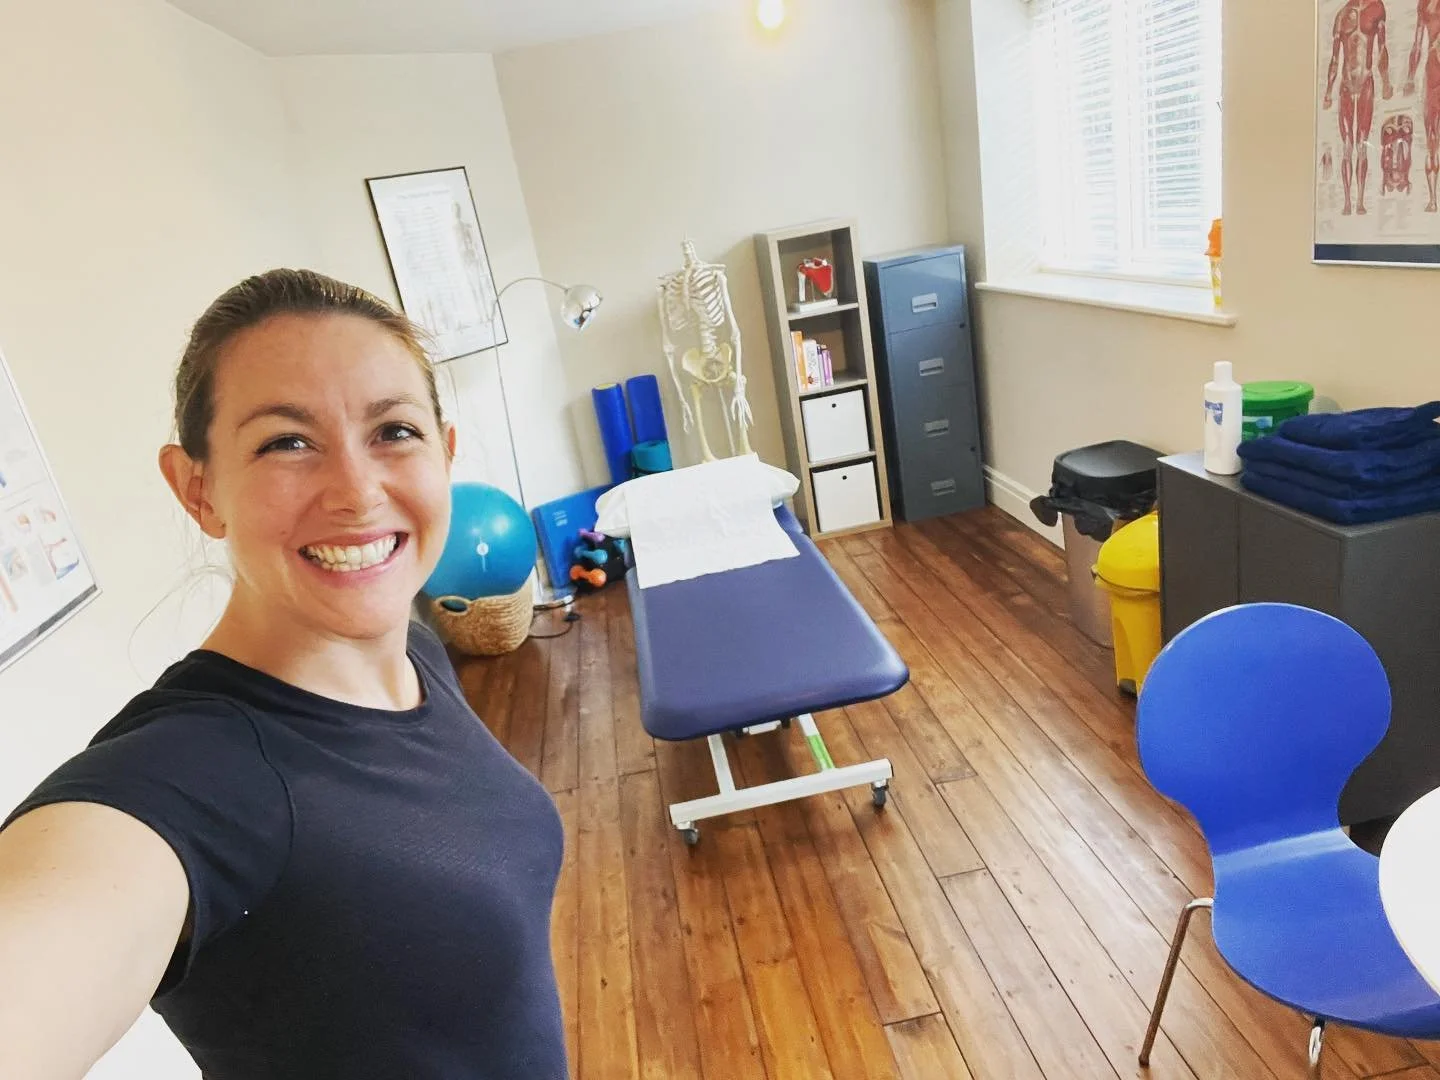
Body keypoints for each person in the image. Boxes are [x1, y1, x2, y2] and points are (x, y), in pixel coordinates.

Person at [0, 270, 569, 1079]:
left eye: (394, 430)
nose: (358, 492)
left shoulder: (419, 654)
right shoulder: (188, 779)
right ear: (198, 489)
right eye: (286, 442)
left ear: (445, 453)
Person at [1324, 0, 1394, 216]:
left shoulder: (1376, 8)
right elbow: (1335, 58)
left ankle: (1360, 201)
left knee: (1361, 143)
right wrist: (1328, 91)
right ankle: (1347, 202)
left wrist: (1385, 81)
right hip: (1347, 84)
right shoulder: (1342, 15)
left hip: (1365, 83)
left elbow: (1382, 48)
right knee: (1348, 144)